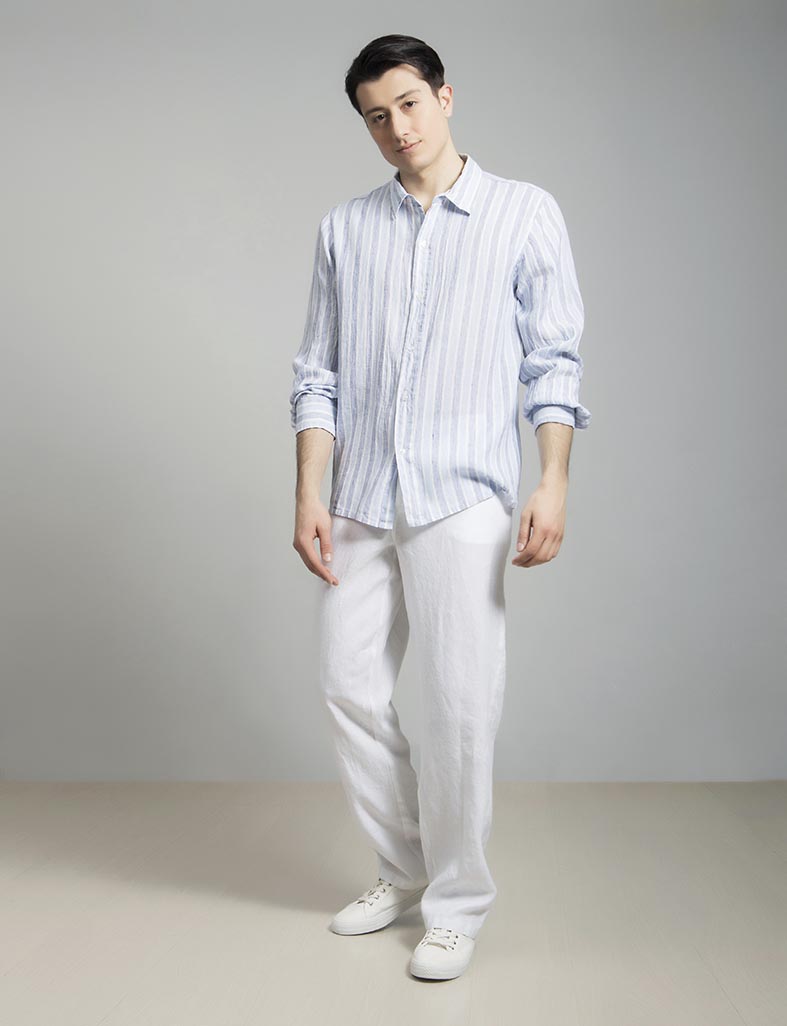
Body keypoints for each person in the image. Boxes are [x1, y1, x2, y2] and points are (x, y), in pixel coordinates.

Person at [289, 33, 591, 981]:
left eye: (409, 104)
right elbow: (316, 375)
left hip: (463, 496)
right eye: (376, 116)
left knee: (460, 708)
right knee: (347, 687)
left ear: (445, 97)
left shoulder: (523, 213)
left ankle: (457, 904)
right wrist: (308, 491)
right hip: (360, 498)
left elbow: (552, 361)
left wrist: (552, 479)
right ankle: (406, 867)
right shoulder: (344, 230)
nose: (397, 128)